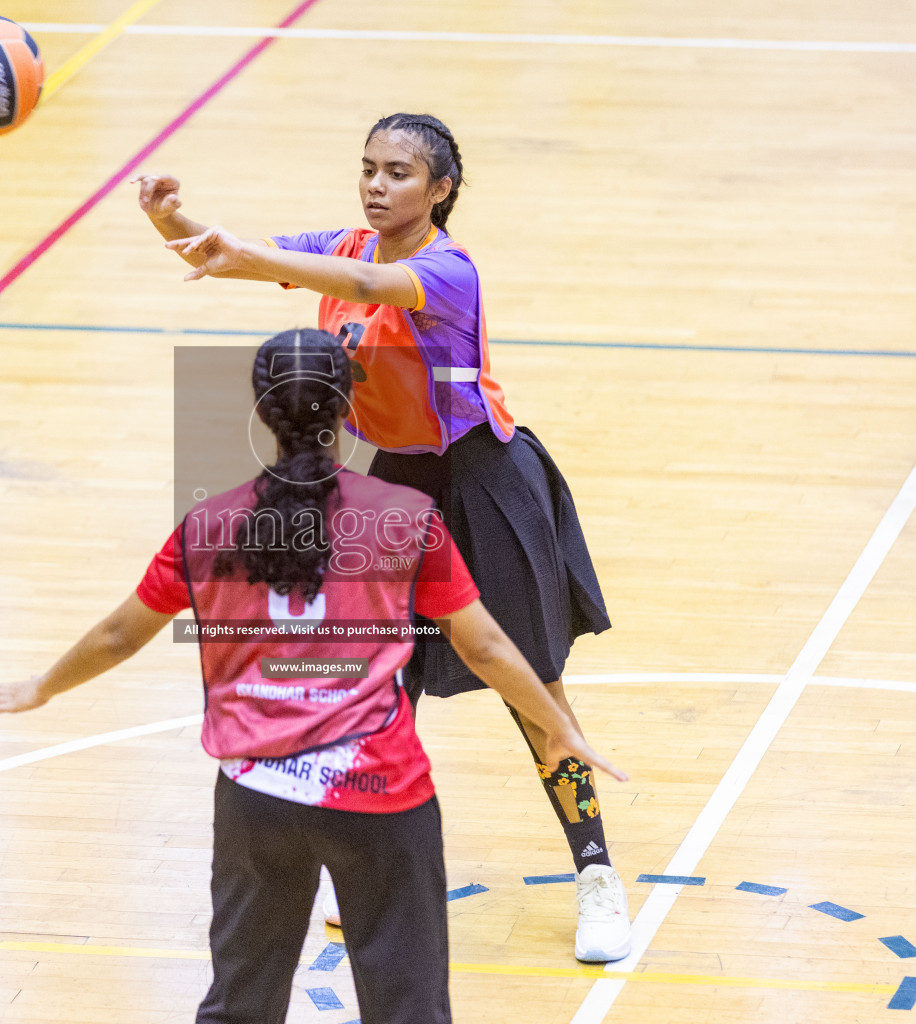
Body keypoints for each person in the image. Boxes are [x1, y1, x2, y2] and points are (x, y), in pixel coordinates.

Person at [0, 330, 626, 1024]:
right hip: (377, 797)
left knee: (239, 1007)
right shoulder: (403, 519)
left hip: (256, 798)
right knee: (407, 1010)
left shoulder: (208, 524)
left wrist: (42, 685)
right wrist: (559, 728)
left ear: (262, 415)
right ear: (349, 411)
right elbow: (488, 648)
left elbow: (116, 635)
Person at [134, 113, 633, 962]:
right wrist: (171, 221)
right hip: (395, 488)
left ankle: (597, 876)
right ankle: (371, 868)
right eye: (368, 168)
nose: (375, 185)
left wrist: (244, 258)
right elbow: (240, 248)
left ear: (439, 189)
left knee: (531, 687)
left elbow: (345, 286)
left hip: (485, 484)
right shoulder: (346, 246)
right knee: (375, 681)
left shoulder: (447, 270)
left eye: (398, 173)